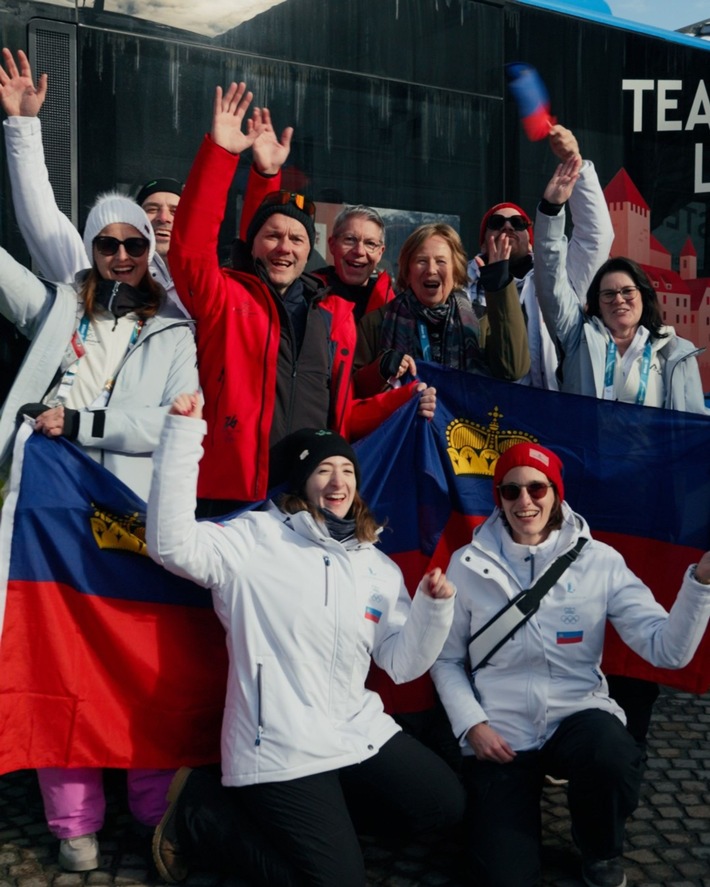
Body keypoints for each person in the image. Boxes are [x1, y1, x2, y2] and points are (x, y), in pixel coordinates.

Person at [146, 408, 465, 886]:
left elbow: (401, 664)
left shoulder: (377, 565)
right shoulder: (253, 540)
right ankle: (203, 815)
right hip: (279, 744)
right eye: (322, 470)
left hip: (355, 732)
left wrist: (432, 611)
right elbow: (170, 545)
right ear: (299, 480)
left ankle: (321, 827)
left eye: (348, 471)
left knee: (444, 805)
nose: (338, 483)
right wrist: (183, 434)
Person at [0, 192, 198, 870]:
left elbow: (167, 423)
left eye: (134, 245)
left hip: (129, 517)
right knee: (58, 654)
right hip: (49, 514)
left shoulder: (177, 329)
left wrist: (80, 424)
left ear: (150, 251)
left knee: (136, 660)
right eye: (107, 244)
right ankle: (73, 820)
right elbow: (9, 263)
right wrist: (21, 129)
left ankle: (149, 804)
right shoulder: (58, 308)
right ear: (90, 248)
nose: (121, 256)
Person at [431, 441, 710, 887]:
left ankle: (600, 849)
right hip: (501, 731)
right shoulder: (467, 564)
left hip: (576, 714)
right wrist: (472, 725)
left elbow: (668, 651)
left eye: (537, 489)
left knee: (612, 752)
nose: (525, 502)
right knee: (503, 876)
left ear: (556, 493)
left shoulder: (600, 562)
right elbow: (445, 659)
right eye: (511, 490)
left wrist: (701, 582)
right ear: (497, 498)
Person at [170, 81, 434, 514]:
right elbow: (190, 248)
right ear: (251, 244)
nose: (284, 247)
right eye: (272, 236)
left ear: (309, 249)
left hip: (307, 504)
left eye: (296, 238)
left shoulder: (335, 314)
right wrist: (222, 154)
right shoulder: (224, 296)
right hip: (230, 498)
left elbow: (344, 417)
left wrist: (405, 397)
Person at [0, 48, 186, 315]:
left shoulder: (202, 285)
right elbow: (41, 219)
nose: (164, 218)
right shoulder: (95, 266)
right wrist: (23, 126)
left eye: (175, 211)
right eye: (152, 209)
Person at [533, 155, 707, 414]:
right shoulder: (576, 338)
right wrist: (551, 210)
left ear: (643, 296)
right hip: (589, 454)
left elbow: (693, 426)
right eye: (608, 294)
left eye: (627, 291)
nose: (619, 299)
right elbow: (550, 278)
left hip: (648, 456)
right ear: (597, 304)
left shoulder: (674, 352)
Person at [467, 125, 614, 390]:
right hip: (486, 418)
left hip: (551, 414)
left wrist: (577, 167)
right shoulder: (459, 283)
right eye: (497, 221)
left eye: (519, 223)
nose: (508, 227)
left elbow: (596, 237)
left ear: (531, 237)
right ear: (482, 240)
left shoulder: (562, 278)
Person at [353, 222, 530, 396]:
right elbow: (355, 391)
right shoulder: (376, 322)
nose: (431, 270)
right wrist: (380, 369)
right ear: (408, 271)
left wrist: (499, 287)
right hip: (406, 423)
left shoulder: (481, 321)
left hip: (464, 423)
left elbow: (512, 369)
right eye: (421, 261)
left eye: (441, 261)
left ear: (456, 271)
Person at [312, 204, 394, 322]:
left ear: (380, 253)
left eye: (370, 243)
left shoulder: (394, 308)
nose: (359, 251)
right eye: (350, 239)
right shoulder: (306, 295)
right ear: (332, 245)